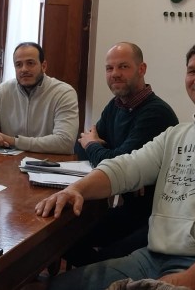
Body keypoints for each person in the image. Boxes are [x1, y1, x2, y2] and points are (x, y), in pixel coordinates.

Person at [35, 39, 195, 290]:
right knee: (56, 286)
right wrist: (76, 189)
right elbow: (127, 166)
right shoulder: (178, 134)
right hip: (153, 257)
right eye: (192, 71)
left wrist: (192, 278)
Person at [65, 42, 179, 266]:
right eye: (109, 68)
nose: (115, 74)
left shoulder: (155, 113)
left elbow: (117, 163)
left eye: (123, 67)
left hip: (155, 218)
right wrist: (98, 148)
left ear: (142, 69)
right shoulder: (116, 106)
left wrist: (95, 146)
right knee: (64, 239)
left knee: (100, 259)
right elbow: (81, 148)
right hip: (130, 208)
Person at [0, 42, 78, 154]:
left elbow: (65, 141)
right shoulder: (4, 90)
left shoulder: (64, 93)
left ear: (43, 66)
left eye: (30, 63)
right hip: (11, 161)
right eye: (18, 65)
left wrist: (14, 141)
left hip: (50, 162)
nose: (24, 69)